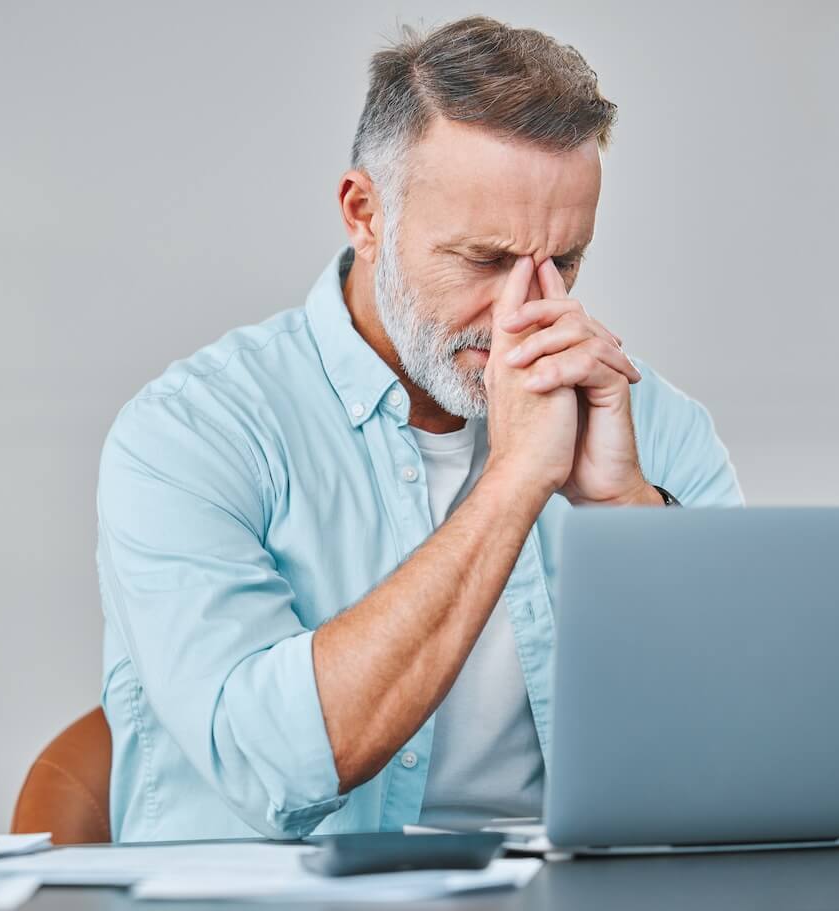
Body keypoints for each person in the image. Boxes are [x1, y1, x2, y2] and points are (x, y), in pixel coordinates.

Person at [96, 15, 743, 843]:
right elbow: (271, 765)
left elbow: (740, 743)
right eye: (485, 260)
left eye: (566, 260)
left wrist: (626, 508)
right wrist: (514, 482)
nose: (528, 309)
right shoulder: (189, 434)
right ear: (365, 214)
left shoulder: (646, 419)